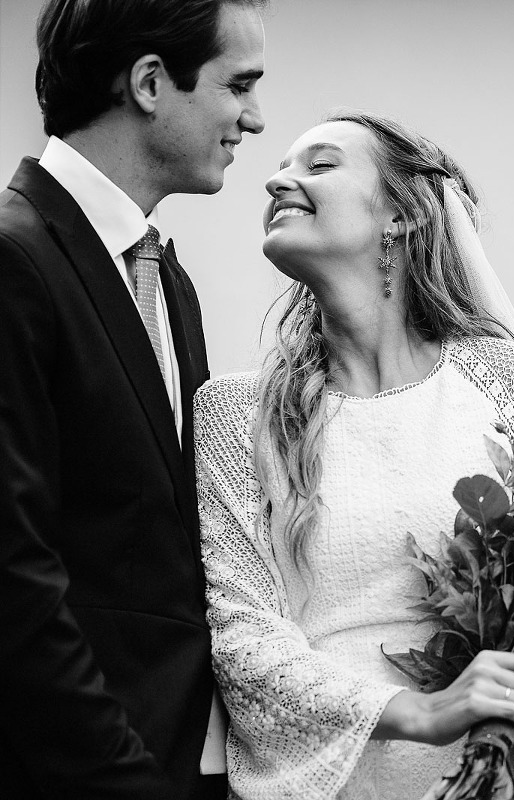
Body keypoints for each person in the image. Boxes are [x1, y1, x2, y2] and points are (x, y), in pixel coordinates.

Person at [196, 112, 514, 800]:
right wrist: (423, 711)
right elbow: (242, 640)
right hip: (334, 786)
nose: (275, 178)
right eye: (284, 166)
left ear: (402, 215)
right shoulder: (233, 414)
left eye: (318, 165)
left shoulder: (502, 380)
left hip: (493, 776)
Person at [0, 0, 266, 797]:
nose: (254, 119)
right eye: (239, 85)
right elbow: (14, 571)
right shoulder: (15, 263)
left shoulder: (165, 280)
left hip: (185, 758)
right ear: (151, 82)